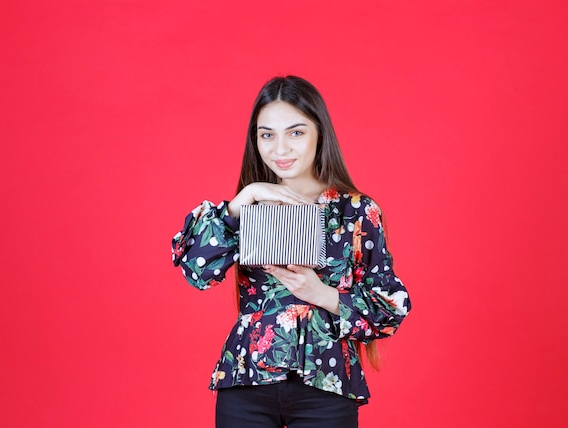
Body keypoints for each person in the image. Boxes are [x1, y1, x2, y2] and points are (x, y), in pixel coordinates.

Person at [171, 76, 411, 428]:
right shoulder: (249, 207)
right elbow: (196, 271)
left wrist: (322, 294)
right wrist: (241, 202)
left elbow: (391, 307)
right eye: (267, 134)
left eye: (296, 133)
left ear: (319, 133)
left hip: (326, 387)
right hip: (246, 381)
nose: (280, 149)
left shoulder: (356, 212)